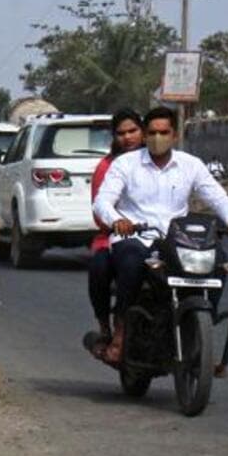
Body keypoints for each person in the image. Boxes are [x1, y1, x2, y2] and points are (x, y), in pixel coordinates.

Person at [93, 106, 228, 364]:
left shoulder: (190, 165)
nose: (157, 138)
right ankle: (120, 332)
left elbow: (216, 196)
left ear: (174, 135)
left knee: (219, 262)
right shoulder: (125, 164)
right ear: (144, 135)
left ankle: (204, 327)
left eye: (163, 132)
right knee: (131, 262)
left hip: (176, 240)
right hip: (136, 237)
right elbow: (102, 202)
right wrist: (117, 220)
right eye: (152, 132)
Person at [85, 109, 144, 357]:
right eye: (121, 133)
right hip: (115, 234)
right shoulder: (107, 167)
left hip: (159, 237)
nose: (128, 137)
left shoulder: (158, 162)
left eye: (133, 131)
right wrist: (118, 222)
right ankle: (109, 329)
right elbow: (100, 210)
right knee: (100, 266)